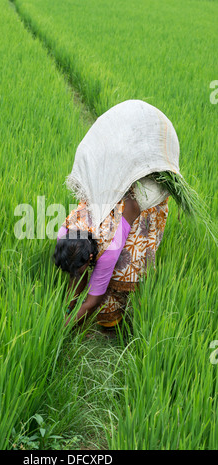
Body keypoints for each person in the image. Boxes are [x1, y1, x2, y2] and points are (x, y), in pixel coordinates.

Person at [54, 99, 180, 328]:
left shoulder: (109, 248)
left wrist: (66, 325)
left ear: (92, 257)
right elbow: (76, 274)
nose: (77, 274)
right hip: (107, 198)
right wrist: (68, 308)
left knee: (124, 271)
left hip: (136, 209)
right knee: (79, 271)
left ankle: (113, 320)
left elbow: (94, 298)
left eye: (83, 269)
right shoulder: (65, 233)